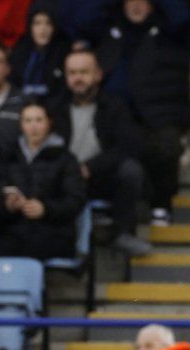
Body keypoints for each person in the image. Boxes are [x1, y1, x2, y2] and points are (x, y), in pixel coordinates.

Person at [97, 0, 190, 226]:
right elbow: (85, 19)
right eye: (131, 1)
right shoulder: (109, 32)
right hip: (117, 116)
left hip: (158, 115)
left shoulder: (169, 33)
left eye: (142, 1)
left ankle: (161, 204)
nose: (136, 6)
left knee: (165, 144)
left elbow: (183, 18)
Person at [49, 49, 150, 255]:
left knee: (131, 170)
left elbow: (127, 147)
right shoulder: (53, 107)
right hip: (62, 178)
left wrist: (89, 167)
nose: (78, 78)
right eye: (72, 73)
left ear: (98, 74)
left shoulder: (115, 106)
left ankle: (123, 233)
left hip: (99, 177)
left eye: (84, 72)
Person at [0, 103, 87, 260]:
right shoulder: (10, 157)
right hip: (16, 228)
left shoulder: (66, 159)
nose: (33, 126)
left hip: (55, 231)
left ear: (49, 123)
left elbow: (76, 199)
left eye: (38, 120)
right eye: (28, 121)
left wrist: (45, 209)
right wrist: (8, 204)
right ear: (21, 125)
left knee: (31, 249)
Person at [9, 5, 70, 99]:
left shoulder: (64, 54)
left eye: (48, 23)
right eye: (37, 23)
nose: (43, 29)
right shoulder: (19, 52)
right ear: (30, 27)